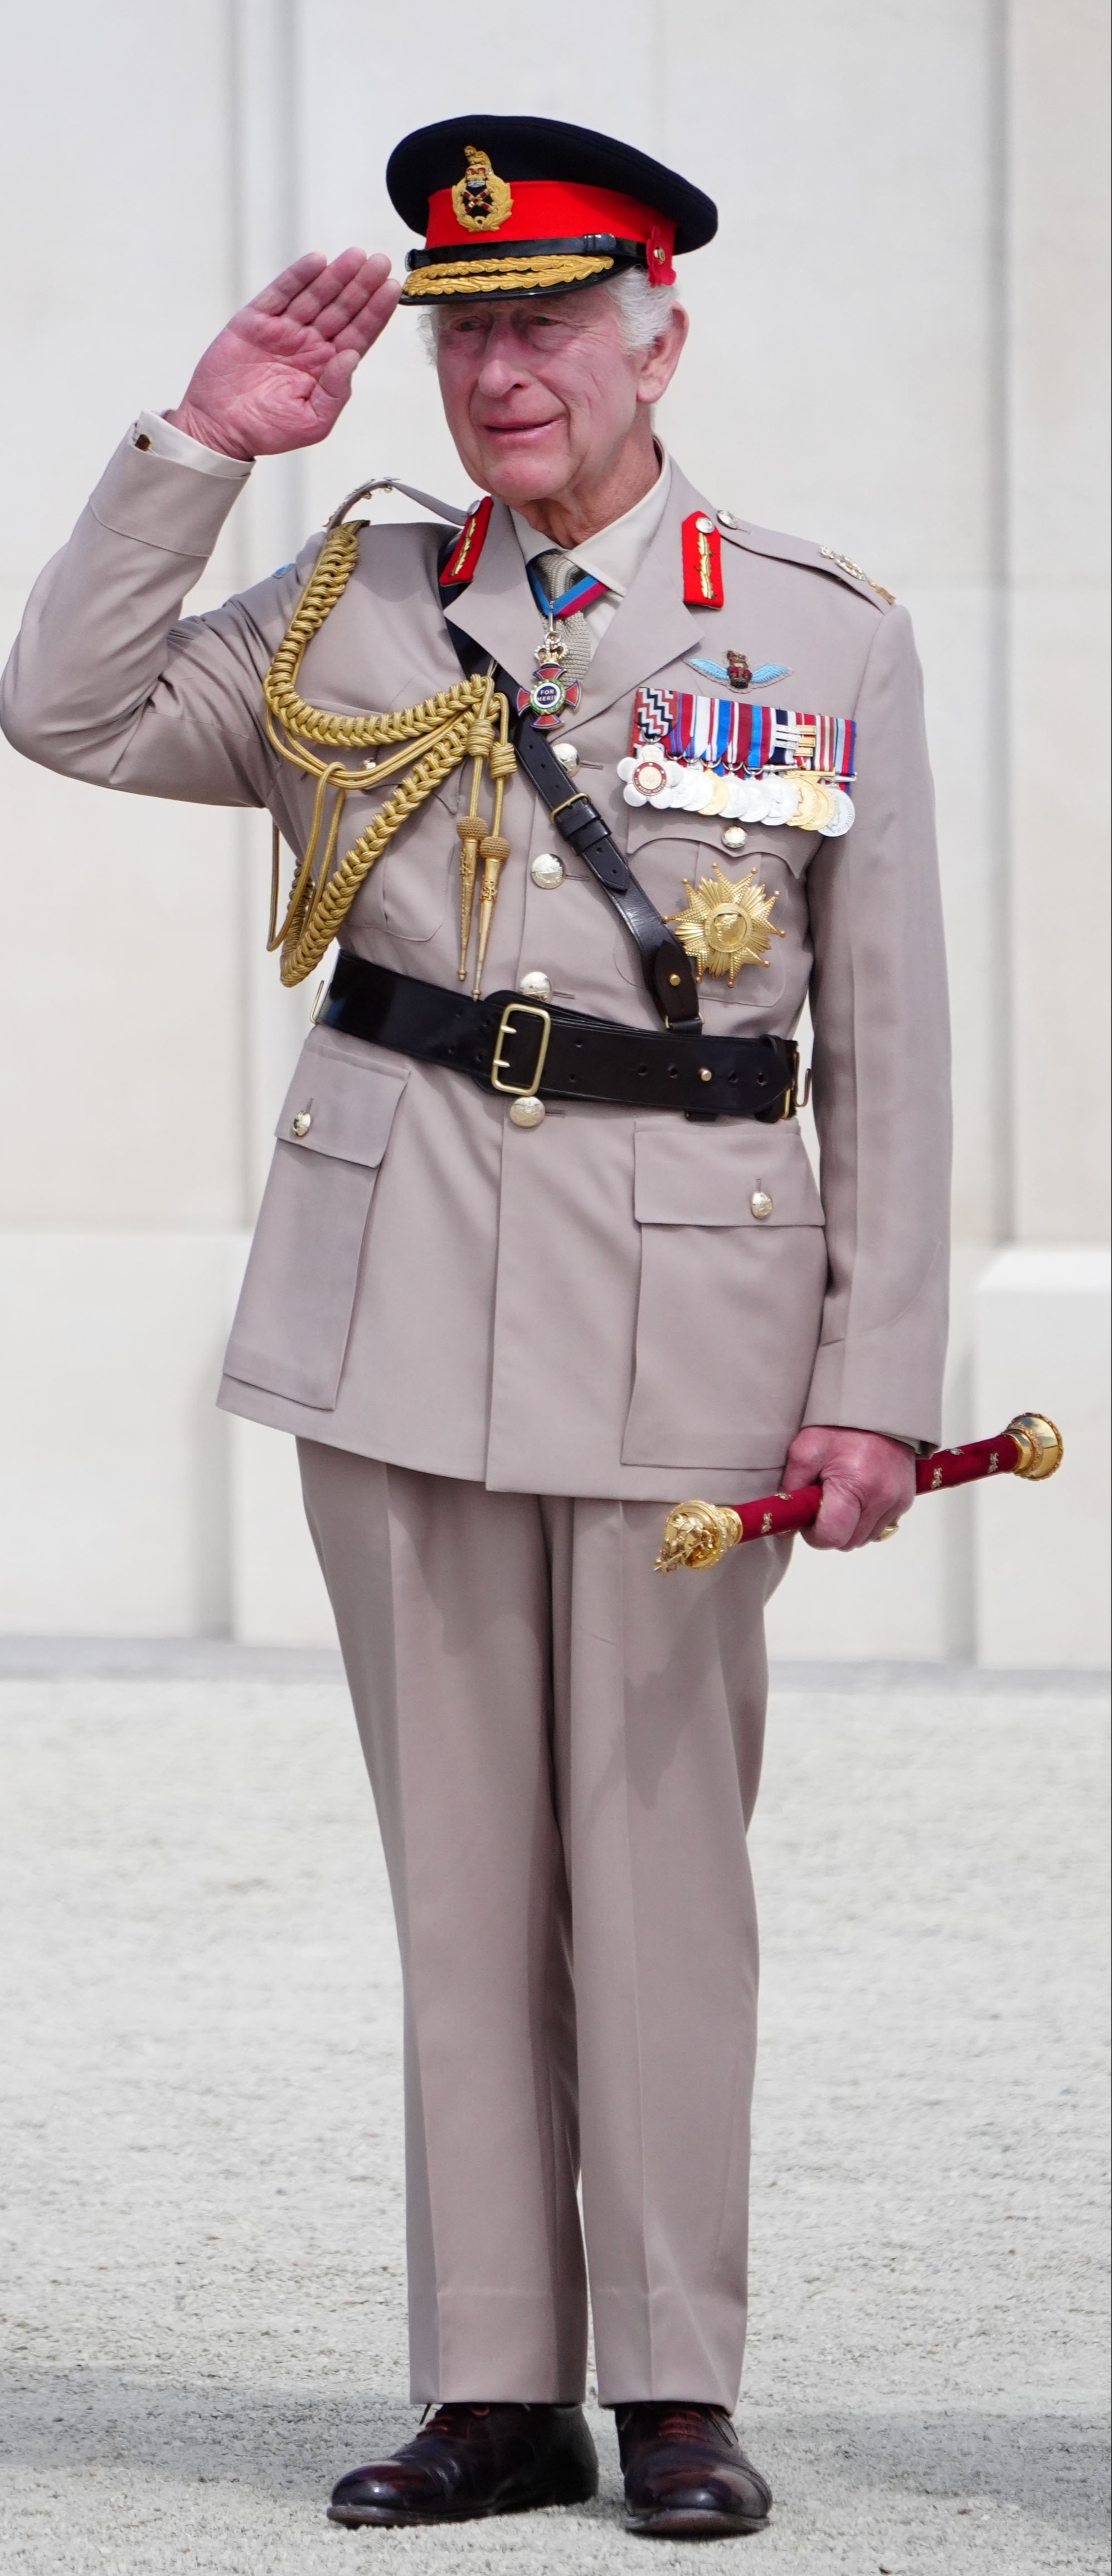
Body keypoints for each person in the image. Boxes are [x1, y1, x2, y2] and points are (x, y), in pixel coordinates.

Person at [1, 114, 950, 2540]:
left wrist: (871, 1380)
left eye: (550, 319)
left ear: (661, 332)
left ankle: (676, 2387)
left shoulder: (816, 624)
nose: (504, 370)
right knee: (461, 1876)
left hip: (694, 1316)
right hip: (399, 1284)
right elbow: (68, 710)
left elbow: (892, 1032)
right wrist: (200, 444)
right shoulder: (355, 604)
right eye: (467, 330)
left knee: (656, 1874)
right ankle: (493, 2385)